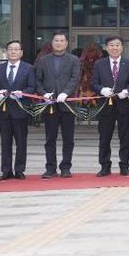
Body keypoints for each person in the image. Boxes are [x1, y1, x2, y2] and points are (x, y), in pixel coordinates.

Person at [0, 40, 37, 180]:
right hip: (4, 111)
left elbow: (32, 87)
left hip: (20, 111)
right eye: (10, 49)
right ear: (7, 52)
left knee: (21, 142)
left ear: (21, 52)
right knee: (5, 143)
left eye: (16, 49)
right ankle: (6, 170)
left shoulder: (28, 68)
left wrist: (22, 93)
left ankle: (19, 170)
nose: (13, 51)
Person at [36, 31, 80, 178]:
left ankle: (66, 167)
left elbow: (75, 78)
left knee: (68, 139)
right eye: (56, 40)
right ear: (52, 42)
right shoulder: (43, 60)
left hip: (67, 105)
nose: (59, 43)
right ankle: (51, 168)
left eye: (62, 40)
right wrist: (43, 94)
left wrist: (66, 93)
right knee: (50, 139)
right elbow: (38, 80)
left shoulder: (73, 60)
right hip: (50, 105)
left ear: (66, 43)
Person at [92, 36, 129, 176]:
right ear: (106, 47)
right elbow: (94, 83)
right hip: (105, 106)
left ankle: (124, 165)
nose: (114, 48)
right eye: (111, 45)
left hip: (124, 105)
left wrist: (127, 91)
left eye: (117, 45)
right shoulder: (99, 64)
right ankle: (105, 166)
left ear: (122, 48)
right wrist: (102, 90)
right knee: (104, 137)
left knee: (125, 137)